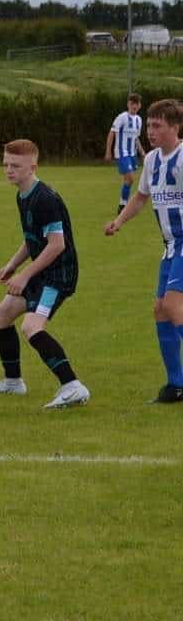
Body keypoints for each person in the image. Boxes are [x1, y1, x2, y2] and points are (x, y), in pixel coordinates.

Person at [0, 139, 88, 408]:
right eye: (6, 164)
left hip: (57, 275)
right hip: (41, 272)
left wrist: (25, 275)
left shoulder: (45, 199)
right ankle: (13, 383)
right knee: (1, 315)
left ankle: (72, 386)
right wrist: (12, 264)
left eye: (15, 165)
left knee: (31, 327)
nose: (9, 170)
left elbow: (56, 244)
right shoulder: (23, 195)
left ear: (33, 166)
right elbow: (33, 239)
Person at [105, 99, 183, 403]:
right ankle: (176, 385)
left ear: (174, 127)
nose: (150, 130)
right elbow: (140, 198)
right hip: (170, 248)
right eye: (149, 125)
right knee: (160, 310)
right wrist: (119, 221)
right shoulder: (151, 160)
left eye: (157, 125)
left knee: (175, 308)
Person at [105, 92, 146, 213]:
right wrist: (108, 151)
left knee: (129, 180)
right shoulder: (122, 117)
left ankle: (124, 204)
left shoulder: (138, 120)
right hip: (122, 152)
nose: (134, 106)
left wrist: (142, 152)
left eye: (137, 103)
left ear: (140, 105)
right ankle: (123, 206)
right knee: (130, 179)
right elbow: (112, 133)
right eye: (132, 103)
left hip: (132, 154)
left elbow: (136, 138)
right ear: (128, 104)